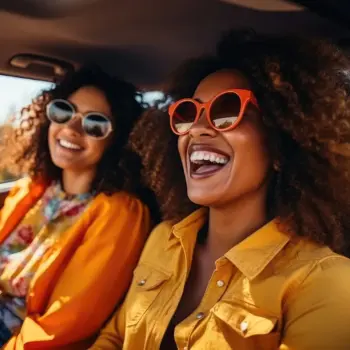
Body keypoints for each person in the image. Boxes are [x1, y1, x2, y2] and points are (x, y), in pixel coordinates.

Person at [91, 30, 350, 350]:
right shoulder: (164, 239)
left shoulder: (324, 283)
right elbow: (115, 338)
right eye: (188, 113)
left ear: (281, 143)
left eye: (226, 110)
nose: (198, 129)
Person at [0, 66, 152, 349]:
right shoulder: (32, 188)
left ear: (117, 140)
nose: (71, 128)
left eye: (95, 124)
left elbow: (67, 323)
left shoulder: (121, 213)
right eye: (63, 111)